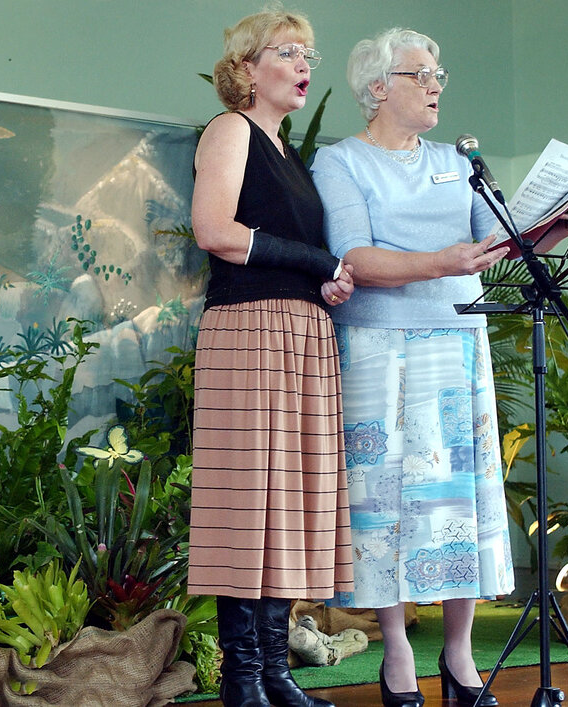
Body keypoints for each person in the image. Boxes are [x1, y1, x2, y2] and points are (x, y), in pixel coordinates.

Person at [310, 28, 568, 707]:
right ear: (378, 88)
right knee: (385, 507)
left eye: (440, 72)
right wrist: (445, 260)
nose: (437, 83)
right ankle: (398, 651)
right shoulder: (340, 162)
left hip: (455, 342)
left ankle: (461, 653)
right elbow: (354, 256)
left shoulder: (455, 160)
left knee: (459, 503)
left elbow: (498, 246)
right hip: (376, 350)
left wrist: (560, 228)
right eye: (421, 73)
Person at [185, 8, 357, 707]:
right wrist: (318, 260)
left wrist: (324, 280)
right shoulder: (231, 131)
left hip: (300, 334)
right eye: (288, 52)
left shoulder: (289, 155)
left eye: (308, 52)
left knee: (287, 503)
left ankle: (276, 672)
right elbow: (214, 229)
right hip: (250, 330)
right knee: (247, 502)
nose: (303, 64)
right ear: (248, 68)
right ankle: (241, 676)